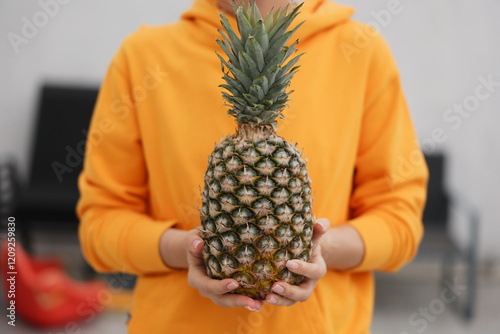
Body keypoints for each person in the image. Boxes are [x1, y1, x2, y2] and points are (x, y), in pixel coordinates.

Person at [76, 0, 428, 333]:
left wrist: (314, 250)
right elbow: (99, 227)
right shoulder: (143, 56)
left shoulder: (362, 51)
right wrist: (186, 249)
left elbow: (400, 222)